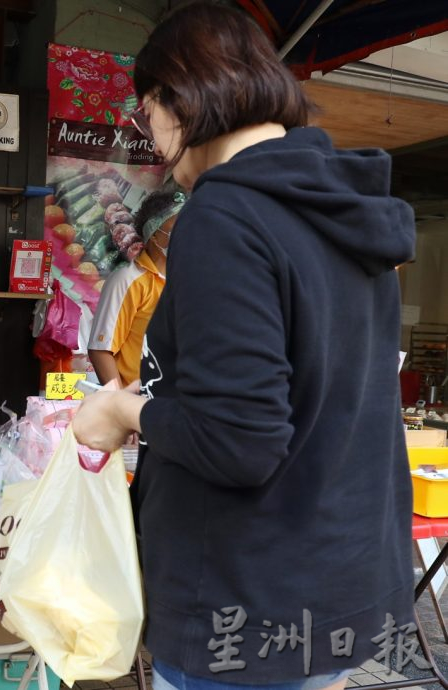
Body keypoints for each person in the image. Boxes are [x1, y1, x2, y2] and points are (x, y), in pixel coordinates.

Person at [72, 4, 416, 689]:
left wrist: (123, 414)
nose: (153, 143)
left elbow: (238, 439)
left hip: (245, 607)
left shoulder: (223, 217)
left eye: (147, 117)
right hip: (341, 588)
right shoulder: (343, 208)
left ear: (182, 99)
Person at [88, 184, 186, 386]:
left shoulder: (188, 279)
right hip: (138, 406)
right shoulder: (127, 279)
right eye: (178, 227)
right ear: (153, 232)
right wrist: (119, 405)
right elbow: (101, 350)